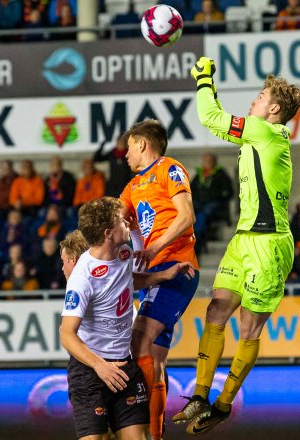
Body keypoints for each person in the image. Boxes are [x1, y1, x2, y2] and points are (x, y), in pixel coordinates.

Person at [173, 58, 300, 434]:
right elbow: (216, 122)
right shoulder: (257, 134)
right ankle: (200, 395)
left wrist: (203, 77)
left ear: (274, 108)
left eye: (260, 96)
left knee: (249, 330)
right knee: (216, 310)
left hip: (269, 244)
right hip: (243, 238)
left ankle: (223, 404)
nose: (254, 101)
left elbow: (210, 116)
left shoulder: (264, 132)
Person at [60, 197, 194, 440]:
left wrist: (164, 275)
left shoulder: (123, 253)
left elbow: (128, 280)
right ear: (108, 233)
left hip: (125, 365)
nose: (127, 222)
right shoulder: (82, 278)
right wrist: (100, 366)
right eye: (122, 221)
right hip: (91, 372)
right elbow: (66, 334)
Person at [119, 120, 200, 440]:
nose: (125, 154)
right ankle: (155, 433)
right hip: (154, 272)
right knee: (155, 358)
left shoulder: (170, 168)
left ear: (142, 144)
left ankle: (142, 431)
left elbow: (186, 216)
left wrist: (152, 247)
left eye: (128, 146)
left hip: (176, 266)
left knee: (139, 344)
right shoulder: (133, 185)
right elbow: (116, 218)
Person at [191, 152, 234, 251]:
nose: (207, 163)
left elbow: (229, 192)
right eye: (205, 161)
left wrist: (218, 198)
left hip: (215, 205)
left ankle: (196, 242)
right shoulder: (199, 175)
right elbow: (189, 190)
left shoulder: (221, 174)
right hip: (199, 204)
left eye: (209, 161)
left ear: (214, 162)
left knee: (202, 215)